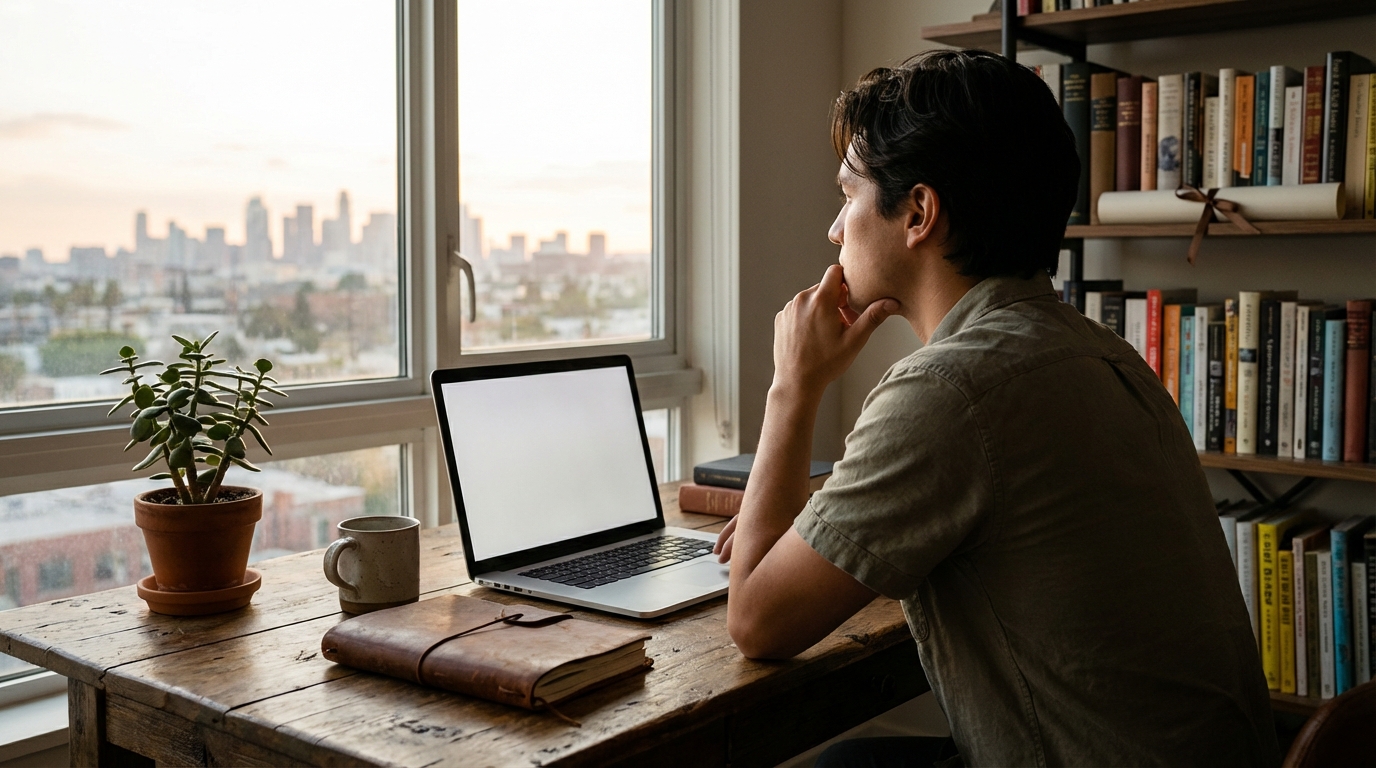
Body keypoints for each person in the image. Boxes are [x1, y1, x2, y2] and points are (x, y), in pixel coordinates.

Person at [712, 50, 1278, 768]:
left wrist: (792, 385)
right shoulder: (1099, 351)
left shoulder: (948, 390)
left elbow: (757, 621)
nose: (834, 229)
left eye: (848, 195)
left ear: (919, 213)